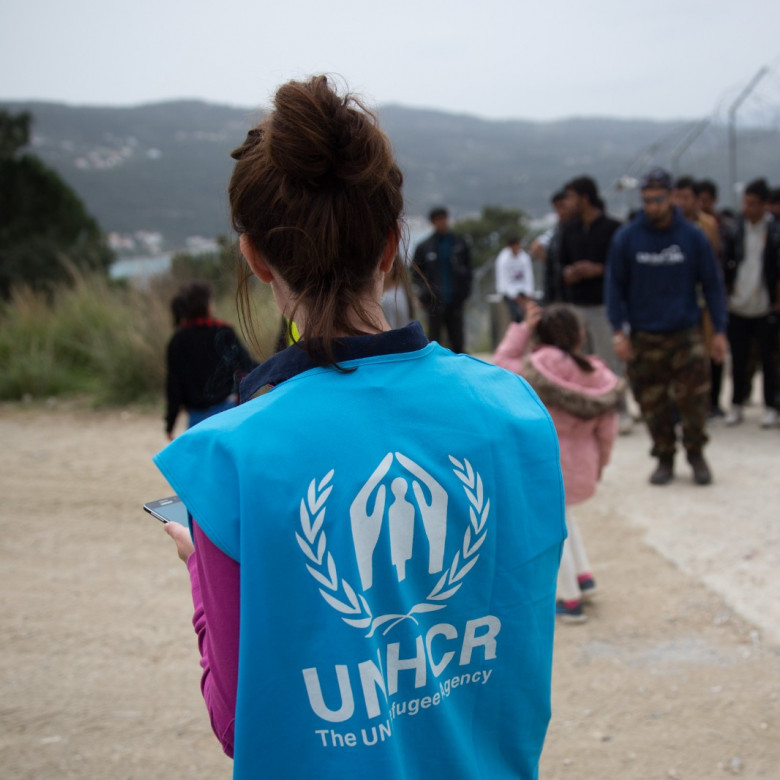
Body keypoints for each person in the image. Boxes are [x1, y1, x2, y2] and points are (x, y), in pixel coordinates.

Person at [154, 75, 566, 779]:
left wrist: (202, 569)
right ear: (389, 246)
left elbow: (237, 720)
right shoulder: (515, 411)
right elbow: (518, 640)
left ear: (255, 257)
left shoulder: (229, 462)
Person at [492, 300, 621, 623]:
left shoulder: (537, 365)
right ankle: (583, 577)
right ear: (580, 335)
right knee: (564, 518)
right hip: (583, 465)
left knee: (551, 531)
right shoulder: (598, 372)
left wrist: (523, 328)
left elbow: (502, 361)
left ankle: (570, 601)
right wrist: (601, 465)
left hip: (544, 466)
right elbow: (607, 432)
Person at [606, 167, 729, 486]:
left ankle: (696, 454)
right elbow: (614, 288)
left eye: (659, 199)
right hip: (645, 335)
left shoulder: (692, 237)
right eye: (647, 200)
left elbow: (713, 285)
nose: (653, 206)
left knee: (694, 399)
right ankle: (663, 457)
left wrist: (719, 331)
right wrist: (618, 332)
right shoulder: (628, 238)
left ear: (672, 197)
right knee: (651, 402)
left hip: (685, 333)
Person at [722, 178, 780, 429]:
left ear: (764, 205)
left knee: (769, 360)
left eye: (753, 204)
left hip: (765, 305)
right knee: (739, 360)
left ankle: (771, 406)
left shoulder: (778, 232)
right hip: (739, 305)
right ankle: (736, 404)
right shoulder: (735, 229)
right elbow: (727, 266)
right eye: (745, 203)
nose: (747, 208)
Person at [164, 280, 256, 439]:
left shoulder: (177, 340)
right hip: (226, 411)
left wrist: (171, 423)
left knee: (202, 461)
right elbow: (245, 364)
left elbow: (174, 385)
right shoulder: (223, 330)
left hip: (196, 417)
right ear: (206, 304)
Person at [557, 176, 622, 371]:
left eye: (571, 197)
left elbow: (622, 267)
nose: (568, 203)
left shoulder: (613, 228)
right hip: (576, 307)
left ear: (584, 198)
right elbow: (560, 265)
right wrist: (569, 272)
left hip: (604, 307)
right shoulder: (568, 230)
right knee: (579, 366)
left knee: (608, 364)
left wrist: (598, 270)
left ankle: (612, 401)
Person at [411, 206, 473, 353]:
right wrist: (425, 293)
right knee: (434, 341)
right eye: (438, 220)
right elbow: (415, 274)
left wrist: (465, 293)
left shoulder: (459, 243)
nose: (442, 222)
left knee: (457, 341)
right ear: (433, 222)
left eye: (444, 219)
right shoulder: (424, 247)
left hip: (455, 301)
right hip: (434, 303)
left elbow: (469, 271)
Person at [693, 177, 730, 418]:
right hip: (686, 303)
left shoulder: (711, 225)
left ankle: (714, 401)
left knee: (713, 353)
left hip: (706, 299)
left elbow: (716, 265)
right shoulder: (675, 229)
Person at [530, 188, 571, 304]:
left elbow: (535, 247)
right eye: (557, 208)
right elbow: (536, 247)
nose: (560, 212)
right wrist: (552, 263)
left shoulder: (559, 231)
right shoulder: (558, 231)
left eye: (562, 207)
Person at [494, 235, 535, 322]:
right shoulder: (503, 259)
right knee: (517, 314)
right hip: (508, 292)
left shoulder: (524, 257)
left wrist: (528, 292)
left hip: (522, 290)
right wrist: (515, 296)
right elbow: (503, 281)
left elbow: (528, 276)